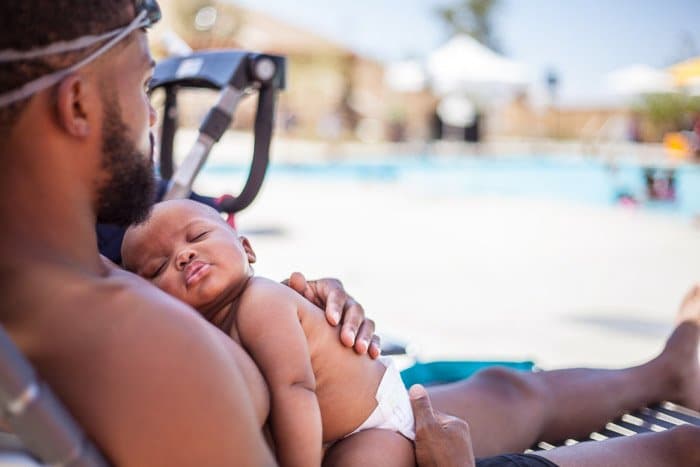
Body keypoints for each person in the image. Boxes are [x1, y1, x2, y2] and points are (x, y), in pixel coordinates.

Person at [1, 1, 700, 466]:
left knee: (516, 394)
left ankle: (666, 368)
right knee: (658, 449)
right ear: (79, 102)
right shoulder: (152, 348)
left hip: (366, 404)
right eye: (141, 87)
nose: (150, 118)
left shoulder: (66, 290)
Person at [121, 199, 417, 466]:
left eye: (198, 236)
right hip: (320, 432)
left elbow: (295, 391)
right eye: (158, 267)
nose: (183, 256)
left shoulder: (261, 302)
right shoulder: (204, 332)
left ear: (247, 249)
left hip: (372, 421)